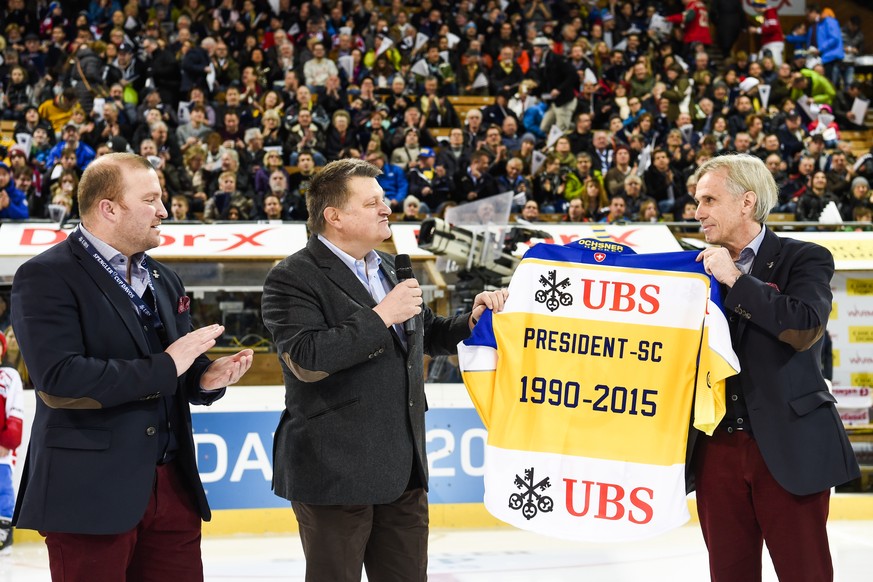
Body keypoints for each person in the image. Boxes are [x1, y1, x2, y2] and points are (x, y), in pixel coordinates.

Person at [10, 153, 254, 581]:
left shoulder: (163, 278)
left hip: (173, 490)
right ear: (109, 208)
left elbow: (181, 366)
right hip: (89, 494)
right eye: (152, 200)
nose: (164, 211)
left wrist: (204, 378)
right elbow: (60, 379)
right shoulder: (45, 276)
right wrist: (168, 367)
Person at [261, 158, 508, 582]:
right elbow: (306, 358)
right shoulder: (292, 276)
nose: (386, 209)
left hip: (403, 470)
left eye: (384, 199)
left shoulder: (390, 268)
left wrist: (472, 321)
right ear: (334, 216)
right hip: (334, 473)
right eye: (373, 201)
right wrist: (380, 317)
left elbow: (426, 334)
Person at [692, 153, 860, 582]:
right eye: (698, 201)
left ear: (746, 202)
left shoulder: (805, 258)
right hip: (717, 451)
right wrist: (509, 300)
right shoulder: (689, 270)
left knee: (805, 574)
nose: (698, 213)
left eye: (709, 200)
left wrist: (736, 279)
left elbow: (803, 326)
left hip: (790, 446)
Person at [0, 330, 24, 555]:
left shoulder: (8, 376)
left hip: (1, 452)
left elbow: (15, 410)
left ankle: (3, 531)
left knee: (2, 488)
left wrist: (8, 440)